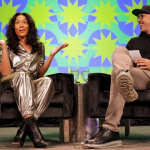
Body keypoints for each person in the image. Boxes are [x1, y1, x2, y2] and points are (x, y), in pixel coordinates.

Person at [83, 5, 150, 149]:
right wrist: (126, 70)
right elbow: (126, 62)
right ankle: (123, 77)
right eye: (138, 17)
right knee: (119, 53)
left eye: (141, 16)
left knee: (119, 74)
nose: (138, 20)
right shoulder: (134, 42)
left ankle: (111, 129)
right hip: (136, 75)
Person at [0, 12, 68, 148]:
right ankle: (34, 134)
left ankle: (24, 129)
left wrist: (52, 56)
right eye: (17, 22)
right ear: (13, 27)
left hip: (31, 81)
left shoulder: (38, 47)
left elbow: (39, 73)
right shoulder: (7, 46)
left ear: (29, 26)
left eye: (24, 22)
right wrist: (3, 46)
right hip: (12, 81)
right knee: (22, 75)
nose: (21, 25)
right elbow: (6, 73)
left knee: (48, 81)